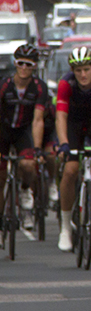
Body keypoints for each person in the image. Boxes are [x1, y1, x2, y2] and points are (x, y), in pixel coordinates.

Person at [55, 47, 91, 252]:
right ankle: (65, 228)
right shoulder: (65, 84)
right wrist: (63, 144)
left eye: (86, 69)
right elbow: (61, 116)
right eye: (78, 71)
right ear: (72, 71)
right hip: (73, 124)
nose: (83, 75)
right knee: (70, 171)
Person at [0, 45, 49, 227]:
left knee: (29, 165)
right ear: (15, 63)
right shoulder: (4, 85)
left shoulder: (39, 87)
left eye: (29, 65)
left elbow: (38, 120)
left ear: (35, 66)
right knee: (1, 174)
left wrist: (36, 149)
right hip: (3, 130)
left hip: (24, 131)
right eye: (21, 63)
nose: (24, 68)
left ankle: (24, 189)